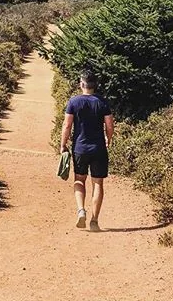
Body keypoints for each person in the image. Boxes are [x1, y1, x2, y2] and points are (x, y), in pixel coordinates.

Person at [60, 69, 114, 231]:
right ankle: (94, 220)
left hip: (80, 148)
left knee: (79, 179)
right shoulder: (103, 102)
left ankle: (81, 210)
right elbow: (109, 125)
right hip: (98, 148)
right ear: (94, 85)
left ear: (81, 84)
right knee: (98, 183)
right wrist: (108, 139)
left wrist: (63, 145)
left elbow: (67, 125)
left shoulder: (74, 102)